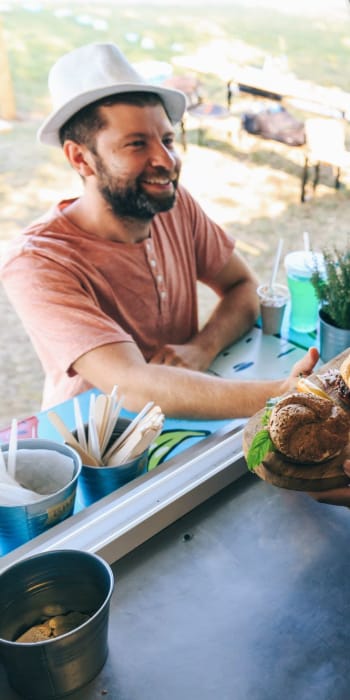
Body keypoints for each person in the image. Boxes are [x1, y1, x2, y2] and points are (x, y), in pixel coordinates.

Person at [0, 42, 319, 419]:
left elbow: (242, 288)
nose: (165, 161)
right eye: (136, 144)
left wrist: (203, 347)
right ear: (80, 158)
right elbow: (132, 385)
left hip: (194, 406)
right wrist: (281, 394)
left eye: (167, 140)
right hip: (95, 442)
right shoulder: (36, 261)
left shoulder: (173, 203)